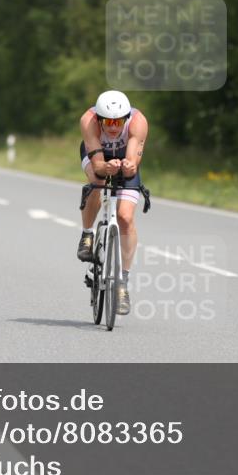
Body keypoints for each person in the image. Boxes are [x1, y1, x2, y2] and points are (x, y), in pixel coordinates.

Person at [76, 90, 149, 315]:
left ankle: (122, 282)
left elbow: (132, 164)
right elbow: (98, 165)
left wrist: (128, 166)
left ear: (126, 118)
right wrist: (105, 167)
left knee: (125, 217)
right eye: (108, 122)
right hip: (97, 156)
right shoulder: (88, 120)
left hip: (124, 156)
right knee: (97, 181)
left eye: (118, 122)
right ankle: (87, 234)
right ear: (99, 119)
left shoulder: (138, 122)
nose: (114, 127)